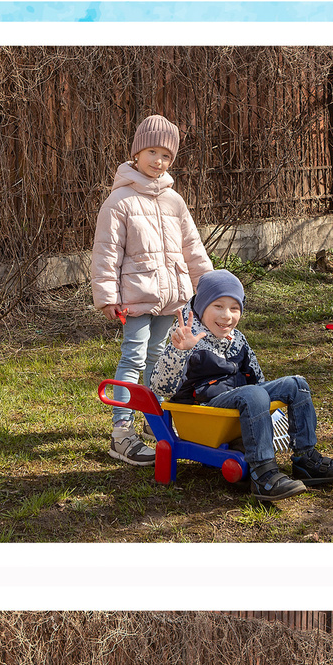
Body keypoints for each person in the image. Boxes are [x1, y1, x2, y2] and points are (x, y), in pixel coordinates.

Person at [88, 115, 213, 466]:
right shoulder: (120, 202)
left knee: (160, 361)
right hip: (136, 300)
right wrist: (108, 297)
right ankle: (121, 433)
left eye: (166, 156)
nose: (158, 161)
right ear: (137, 152)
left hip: (171, 299)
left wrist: (210, 287)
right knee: (134, 359)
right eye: (152, 152)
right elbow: (106, 252)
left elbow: (193, 247)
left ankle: (157, 424)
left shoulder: (175, 201)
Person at [168, 270, 333, 500]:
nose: (227, 316)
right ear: (202, 306)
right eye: (218, 306)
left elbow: (258, 380)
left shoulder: (238, 339)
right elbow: (162, 387)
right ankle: (263, 474)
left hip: (242, 400)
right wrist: (179, 352)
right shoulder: (185, 338)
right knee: (253, 393)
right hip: (206, 407)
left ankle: (305, 459)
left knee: (296, 384)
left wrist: (265, 411)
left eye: (234, 308)